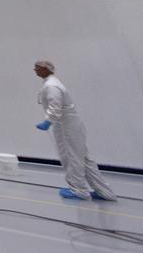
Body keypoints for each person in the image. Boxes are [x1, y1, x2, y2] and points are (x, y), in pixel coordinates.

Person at [33, 60, 117, 201]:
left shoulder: (51, 85)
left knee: (72, 158)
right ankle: (105, 192)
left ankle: (79, 190)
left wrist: (48, 121)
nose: (35, 70)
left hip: (66, 126)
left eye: (37, 68)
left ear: (46, 69)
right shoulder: (51, 83)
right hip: (68, 125)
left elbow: (55, 106)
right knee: (83, 159)